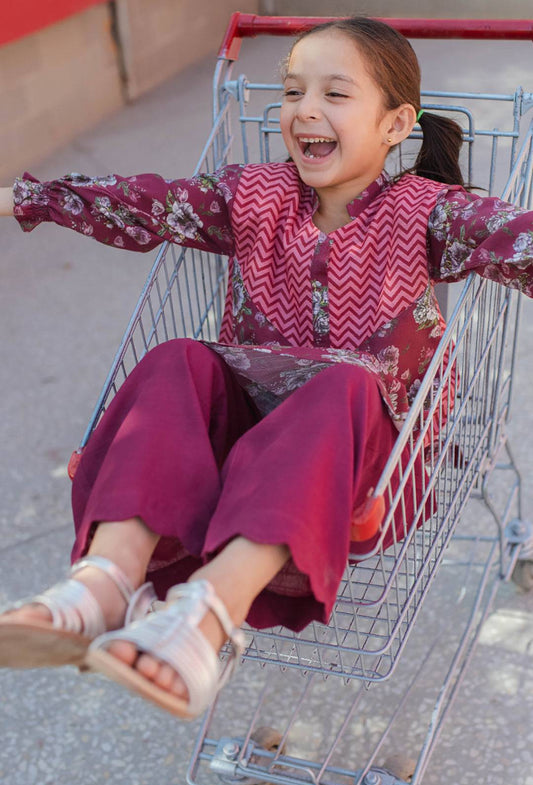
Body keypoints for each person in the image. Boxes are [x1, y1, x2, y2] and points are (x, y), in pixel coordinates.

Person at [0, 17, 532, 721]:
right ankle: (106, 584)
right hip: (248, 456)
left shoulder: (428, 214)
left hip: (367, 469)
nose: (304, 109)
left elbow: (512, 238)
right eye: (292, 91)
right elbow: (147, 204)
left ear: (395, 124)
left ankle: (208, 613)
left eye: (334, 94)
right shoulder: (252, 197)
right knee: (176, 359)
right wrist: (28, 197)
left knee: (345, 381)